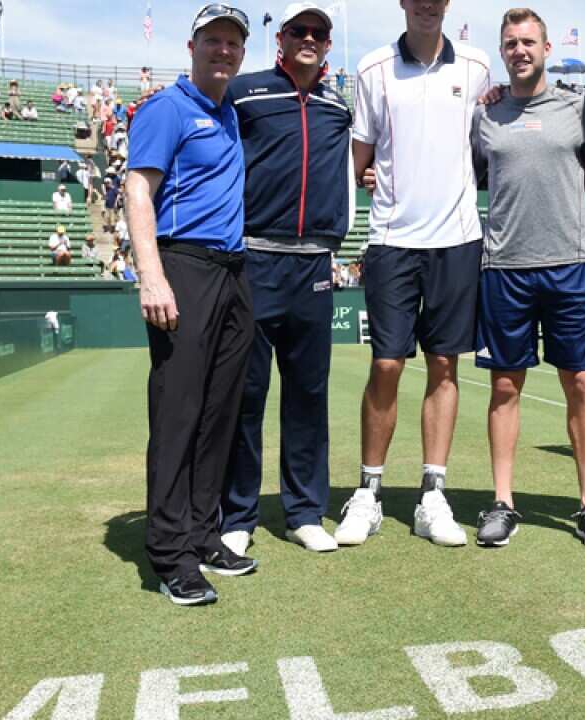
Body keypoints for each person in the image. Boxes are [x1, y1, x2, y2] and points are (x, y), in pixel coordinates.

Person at [334, 0, 491, 549]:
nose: (427, 3)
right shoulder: (373, 68)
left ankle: (432, 494)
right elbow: (357, 159)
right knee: (387, 364)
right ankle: (368, 493)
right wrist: (365, 174)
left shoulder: (477, 66)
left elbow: (485, 143)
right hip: (392, 242)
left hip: (458, 241)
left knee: (445, 365)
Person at [465, 8, 585, 548]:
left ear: (546, 49)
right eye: (510, 43)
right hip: (504, 268)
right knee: (505, 386)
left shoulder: (578, 107)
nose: (519, 50)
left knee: (579, 383)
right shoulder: (484, 115)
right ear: (502, 52)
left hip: (570, 264)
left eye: (528, 41)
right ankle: (503, 502)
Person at [125, 2, 256, 606]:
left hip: (232, 272)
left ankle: (203, 534)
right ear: (192, 46)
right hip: (184, 266)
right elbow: (137, 190)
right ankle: (170, 553)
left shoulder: (228, 112)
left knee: (218, 413)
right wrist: (151, 276)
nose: (223, 50)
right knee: (178, 414)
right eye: (214, 41)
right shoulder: (167, 108)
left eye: (233, 42)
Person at [219, 1, 353, 557]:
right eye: (299, 30)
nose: (309, 38)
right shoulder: (245, 92)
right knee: (245, 394)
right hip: (253, 259)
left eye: (318, 33)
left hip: (313, 264)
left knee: (308, 394)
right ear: (281, 38)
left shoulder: (336, 105)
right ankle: (238, 514)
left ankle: (303, 512)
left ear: (326, 45)